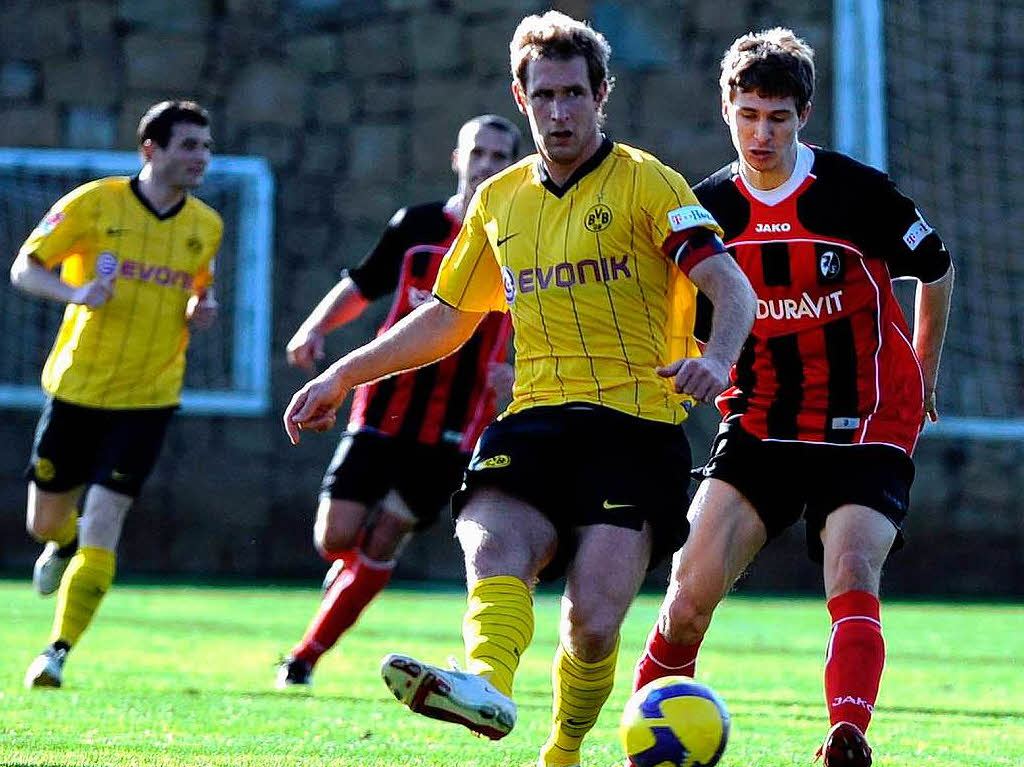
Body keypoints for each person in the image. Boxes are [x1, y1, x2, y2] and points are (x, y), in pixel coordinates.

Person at [285, 11, 755, 767]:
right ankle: (486, 682)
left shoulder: (648, 182)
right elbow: (446, 317)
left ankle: (563, 748)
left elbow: (728, 286)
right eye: (545, 96)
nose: (560, 112)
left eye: (575, 94)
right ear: (520, 95)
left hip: (635, 427)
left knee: (593, 623)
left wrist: (720, 357)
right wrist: (344, 371)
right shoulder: (499, 200)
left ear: (603, 94)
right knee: (493, 539)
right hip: (534, 416)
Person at [628, 28, 954, 767]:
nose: (761, 132)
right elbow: (676, 308)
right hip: (761, 418)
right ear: (725, 109)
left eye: (777, 117)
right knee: (686, 595)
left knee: (852, 567)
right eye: (747, 115)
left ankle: (847, 733)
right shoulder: (706, 210)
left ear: (803, 114)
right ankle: (643, 740)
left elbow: (935, 266)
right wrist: (690, 362)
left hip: (868, 416)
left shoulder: (855, 194)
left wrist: (926, 368)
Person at [275, 114, 521, 689]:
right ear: (457, 160)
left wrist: (514, 366)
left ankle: (304, 658)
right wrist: (314, 327)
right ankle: (347, 586)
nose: (487, 165)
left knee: (386, 536)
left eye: (500, 156)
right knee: (335, 538)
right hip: (382, 409)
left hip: (457, 426)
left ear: (513, 166)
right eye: (478, 154)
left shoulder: (521, 236)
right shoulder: (417, 225)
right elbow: (363, 284)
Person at [13, 100, 222, 689]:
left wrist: (198, 309)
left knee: (107, 520)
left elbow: (197, 292)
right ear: (150, 149)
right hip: (77, 388)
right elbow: (25, 269)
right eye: (189, 145)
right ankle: (64, 542)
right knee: (44, 521)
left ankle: (56, 652)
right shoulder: (94, 203)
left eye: (206, 147)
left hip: (149, 399)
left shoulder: (206, 226)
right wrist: (74, 293)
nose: (200, 158)